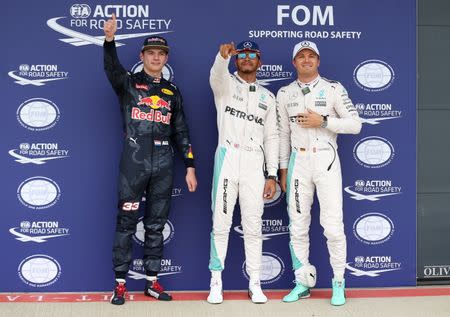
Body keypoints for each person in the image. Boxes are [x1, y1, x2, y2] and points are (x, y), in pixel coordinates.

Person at [103, 14, 197, 305]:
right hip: (134, 162)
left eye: (161, 54)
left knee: (156, 224)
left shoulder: (172, 92)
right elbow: (111, 68)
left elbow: (181, 131)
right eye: (151, 53)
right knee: (126, 222)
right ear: (142, 56)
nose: (156, 57)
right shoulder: (128, 84)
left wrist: (190, 166)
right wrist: (109, 41)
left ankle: (152, 282)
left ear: (165, 58)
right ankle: (120, 283)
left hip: (164, 164)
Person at [277, 40, 361, 306]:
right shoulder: (284, 93)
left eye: (311, 56)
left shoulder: (333, 89)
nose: (306, 60)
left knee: (333, 227)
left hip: (325, 161)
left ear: (318, 61)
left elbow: (355, 124)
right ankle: (302, 282)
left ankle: (338, 282)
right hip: (297, 163)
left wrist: (324, 121)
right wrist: (282, 170)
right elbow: (282, 136)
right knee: (298, 227)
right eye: (301, 56)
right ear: (294, 63)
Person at [207, 41, 279, 304]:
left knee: (253, 226)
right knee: (221, 224)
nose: (247, 59)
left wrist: (271, 174)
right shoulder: (225, 84)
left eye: (253, 55)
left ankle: (255, 283)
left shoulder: (267, 97)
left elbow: (272, 137)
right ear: (237, 59)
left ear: (259, 61)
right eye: (243, 55)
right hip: (227, 158)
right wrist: (221, 57)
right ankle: (216, 281)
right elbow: (216, 76)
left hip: (253, 164)